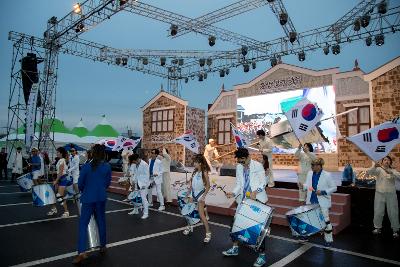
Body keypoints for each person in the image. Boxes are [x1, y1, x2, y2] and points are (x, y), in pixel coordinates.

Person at [222, 148, 268, 267]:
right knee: (235, 224)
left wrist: (255, 192)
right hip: (243, 200)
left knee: (258, 229)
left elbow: (263, 182)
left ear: (248, 157)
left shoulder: (257, 166)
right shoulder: (239, 167)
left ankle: (262, 256)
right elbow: (239, 184)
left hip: (257, 201)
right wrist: (233, 193)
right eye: (239, 161)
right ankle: (235, 247)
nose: (241, 163)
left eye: (242, 161)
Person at [73, 144, 112, 264]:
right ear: (103, 153)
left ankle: (81, 252)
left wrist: (86, 190)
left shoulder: (86, 167)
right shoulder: (107, 166)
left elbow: (80, 184)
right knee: (101, 221)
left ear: (93, 153)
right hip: (100, 197)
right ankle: (103, 246)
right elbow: (107, 183)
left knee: (83, 224)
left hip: (88, 198)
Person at [302, 158, 337, 246]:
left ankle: (328, 240)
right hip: (311, 200)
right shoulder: (310, 173)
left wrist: (323, 192)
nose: (311, 167)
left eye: (313, 165)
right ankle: (306, 236)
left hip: (323, 202)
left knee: (326, 221)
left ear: (319, 166)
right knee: (308, 218)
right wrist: (303, 186)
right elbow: (308, 185)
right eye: (312, 165)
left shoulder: (327, 175)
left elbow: (334, 188)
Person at [367, 156, 400, 239]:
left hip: (391, 194)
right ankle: (377, 228)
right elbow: (369, 172)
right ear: (382, 162)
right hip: (379, 194)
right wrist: (374, 166)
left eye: (388, 160)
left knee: (393, 212)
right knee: (378, 211)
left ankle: (395, 230)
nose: (386, 161)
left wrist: (391, 172)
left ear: (390, 162)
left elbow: (399, 177)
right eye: (385, 160)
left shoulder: (393, 170)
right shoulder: (379, 170)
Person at [182, 154, 212, 243]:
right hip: (192, 194)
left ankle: (208, 233)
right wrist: (188, 193)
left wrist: (203, 196)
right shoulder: (194, 172)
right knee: (188, 212)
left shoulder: (205, 172)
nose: (194, 163)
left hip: (200, 195)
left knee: (202, 216)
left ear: (200, 163)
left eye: (195, 162)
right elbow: (191, 184)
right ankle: (189, 226)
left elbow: (208, 186)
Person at [47, 147, 73, 217]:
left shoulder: (62, 160)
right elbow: (60, 171)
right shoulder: (61, 160)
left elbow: (61, 172)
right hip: (61, 179)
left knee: (59, 196)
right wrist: (53, 172)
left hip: (63, 179)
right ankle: (53, 208)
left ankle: (66, 211)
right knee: (53, 195)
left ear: (61, 153)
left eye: (57, 152)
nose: (56, 153)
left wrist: (56, 181)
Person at [128, 153, 150, 219]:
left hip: (143, 184)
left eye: (133, 161)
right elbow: (135, 174)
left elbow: (147, 176)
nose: (133, 163)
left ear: (136, 159)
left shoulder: (144, 164)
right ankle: (135, 210)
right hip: (137, 183)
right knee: (135, 197)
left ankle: (146, 213)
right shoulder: (135, 164)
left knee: (143, 198)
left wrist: (144, 185)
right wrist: (133, 183)